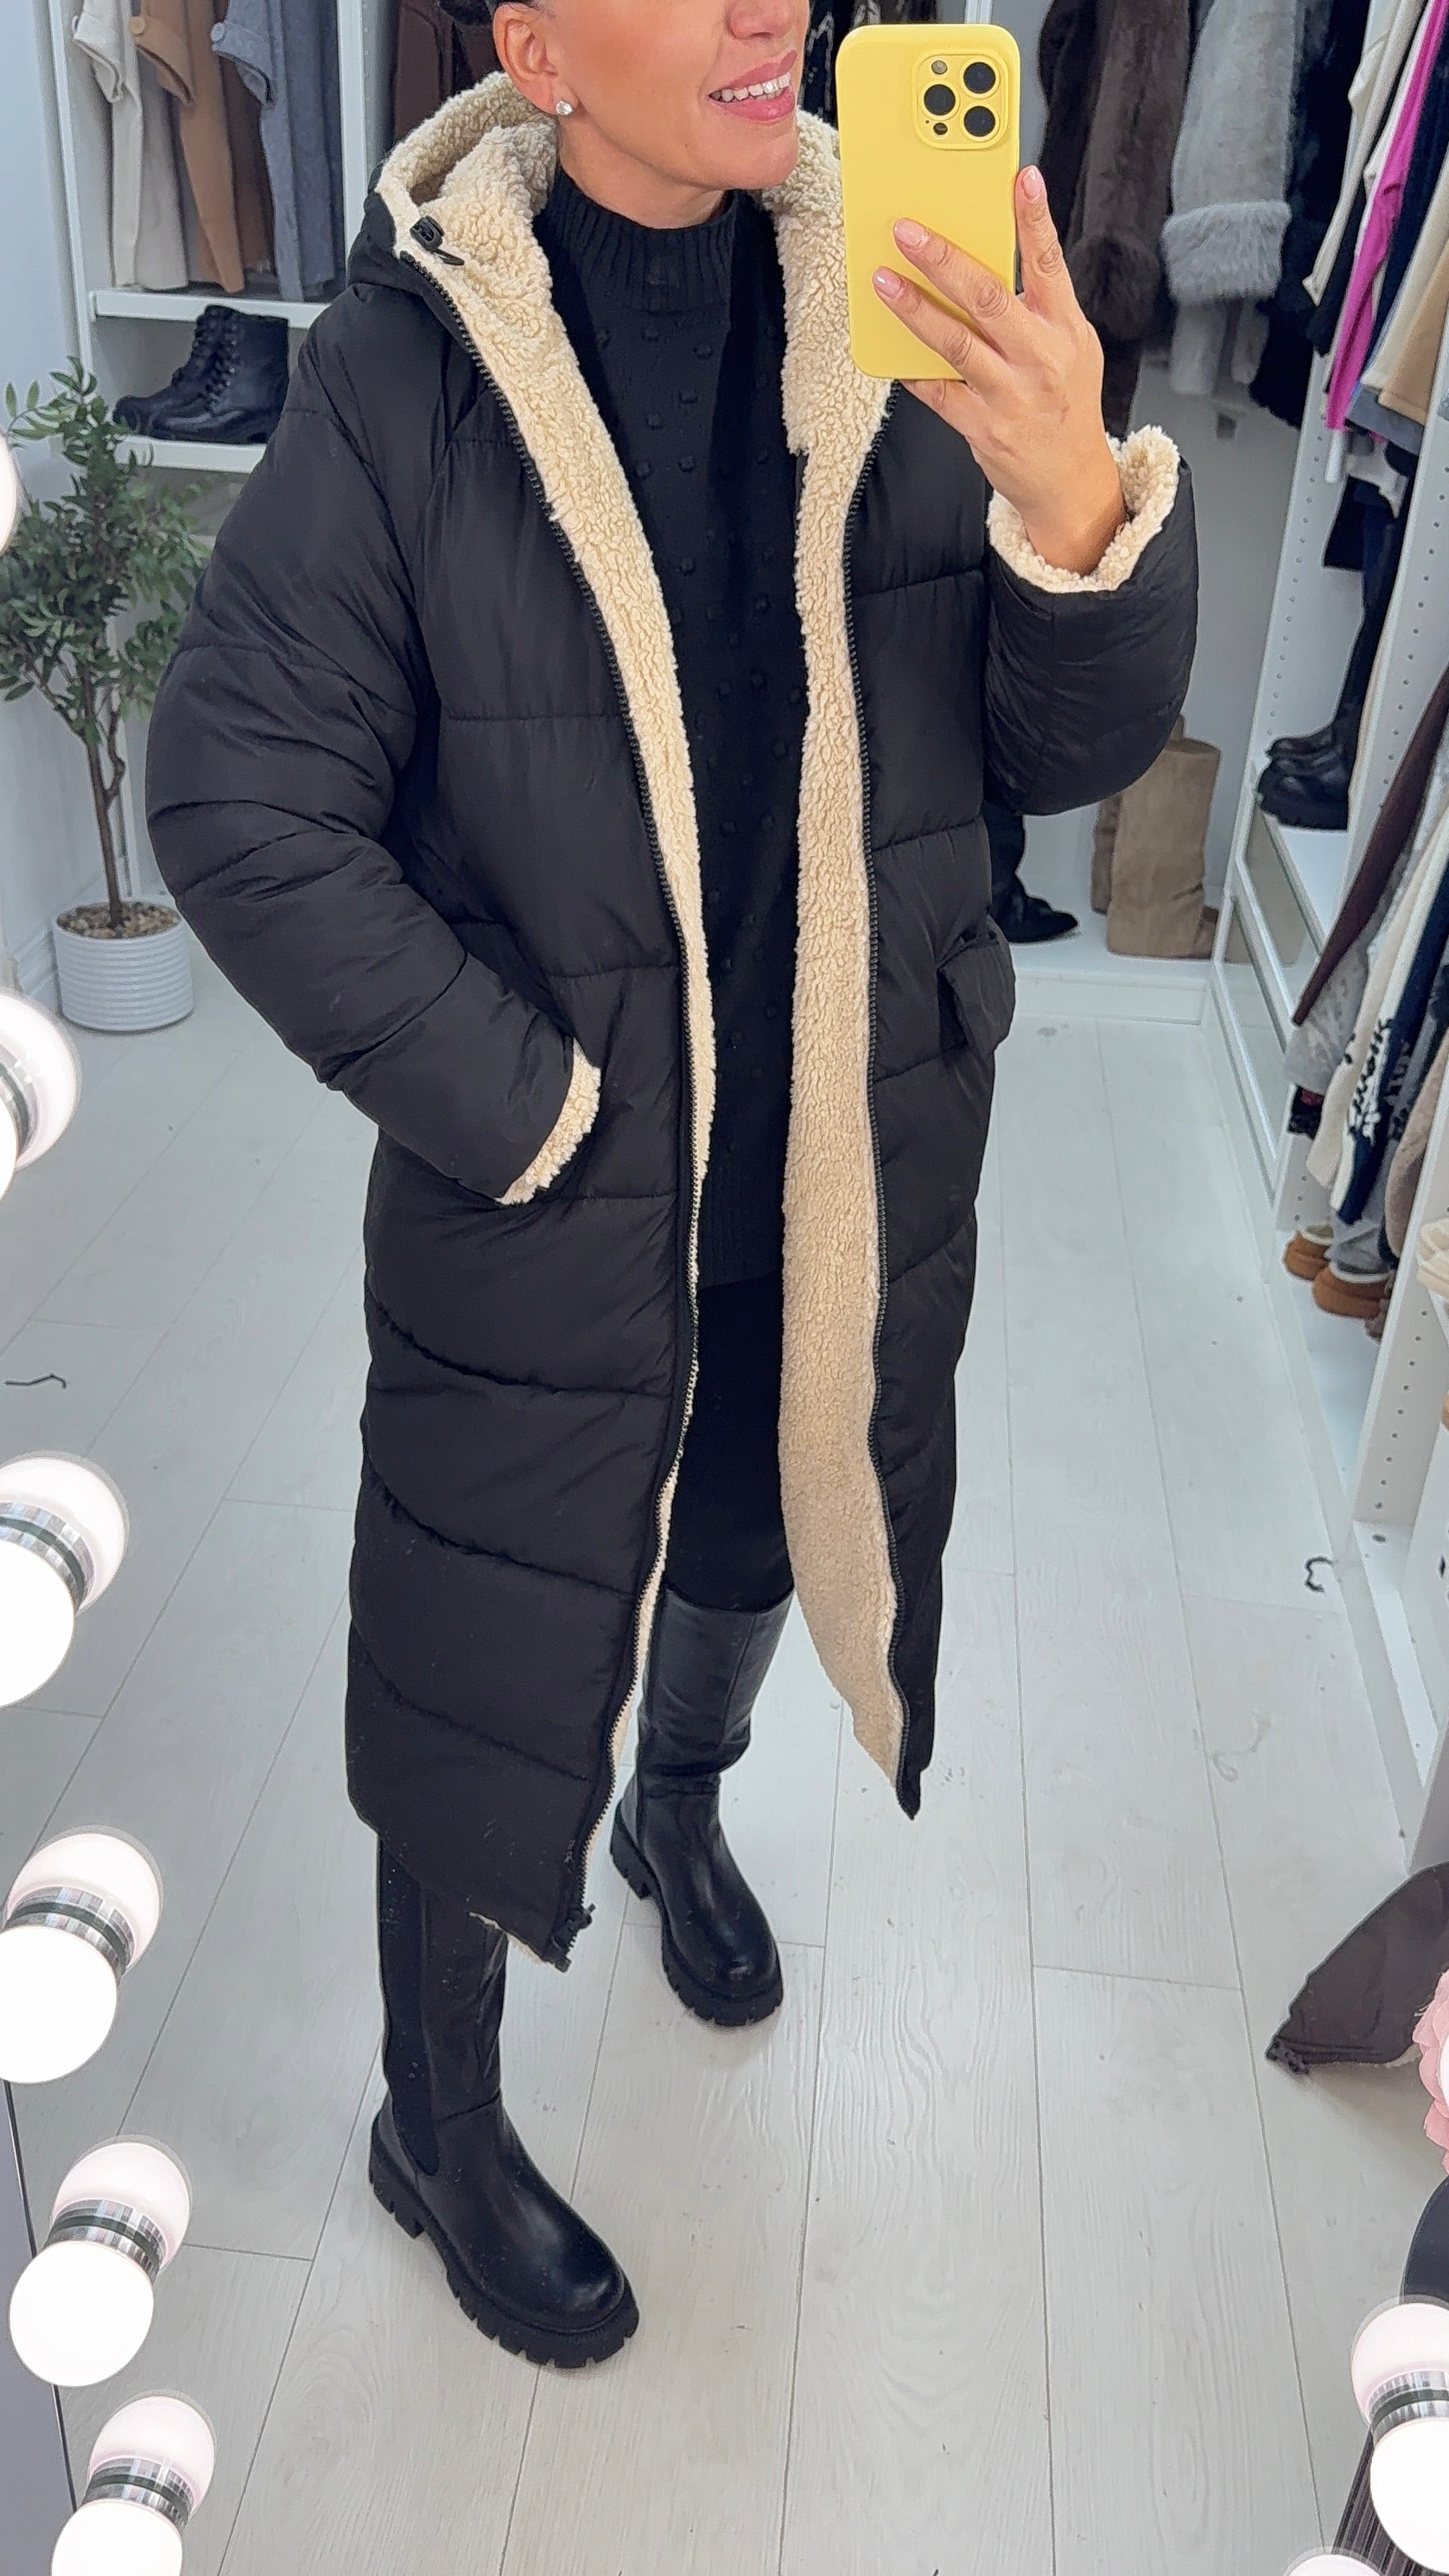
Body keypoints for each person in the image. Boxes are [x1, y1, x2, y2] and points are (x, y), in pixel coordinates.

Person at [146, 0, 1196, 2371]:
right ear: (533, 43)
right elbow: (236, 795)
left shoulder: (896, 302)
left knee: (754, 1530)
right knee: (484, 1643)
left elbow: (1055, 751)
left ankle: (681, 1810)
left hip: (835, 1159)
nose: (763, 7)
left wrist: (1072, 507)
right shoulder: (410, 368)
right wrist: (531, 1111)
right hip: (553, 1191)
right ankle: (435, 2123)